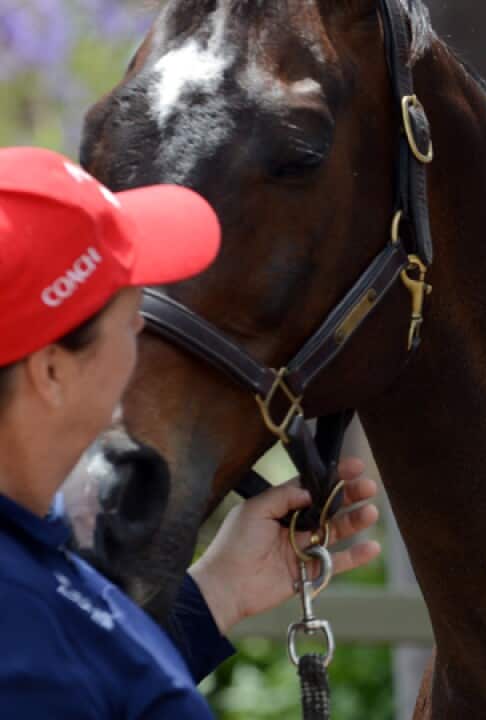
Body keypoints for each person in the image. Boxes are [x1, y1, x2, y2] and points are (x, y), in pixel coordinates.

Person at [0, 146, 382, 717]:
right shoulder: (21, 633)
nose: (141, 331)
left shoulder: (33, 553)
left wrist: (217, 594)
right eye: (130, 318)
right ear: (52, 371)